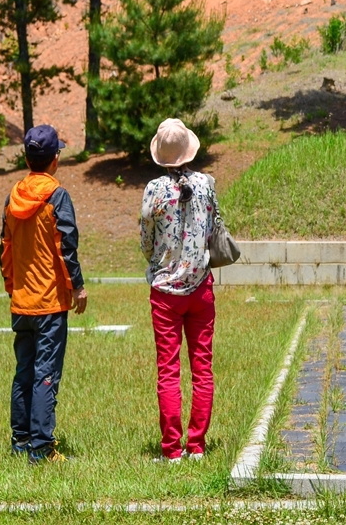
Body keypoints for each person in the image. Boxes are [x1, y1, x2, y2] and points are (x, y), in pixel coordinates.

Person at [0, 124, 87, 464]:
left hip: (21, 301)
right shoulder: (57, 196)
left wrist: (12, 287)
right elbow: (66, 247)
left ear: (27, 158)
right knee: (45, 374)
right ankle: (41, 448)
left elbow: (5, 249)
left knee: (24, 371)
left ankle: (20, 440)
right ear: (55, 160)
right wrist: (77, 287)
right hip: (49, 303)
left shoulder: (13, 196)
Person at [141, 118, 218, 463]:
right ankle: (197, 445)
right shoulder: (206, 184)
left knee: (168, 369)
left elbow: (145, 239)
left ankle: (172, 449)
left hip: (165, 292)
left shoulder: (154, 190)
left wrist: (158, 260)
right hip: (200, 288)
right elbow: (216, 229)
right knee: (202, 367)